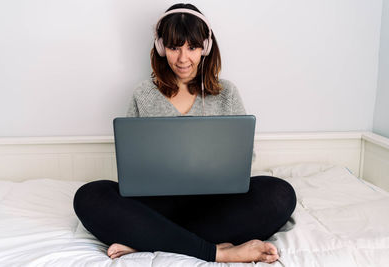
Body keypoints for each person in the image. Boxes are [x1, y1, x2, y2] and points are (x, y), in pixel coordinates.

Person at [73, 3, 296, 263]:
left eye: (192, 47)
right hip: (159, 206)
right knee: (89, 196)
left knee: (280, 194)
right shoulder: (143, 94)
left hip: (215, 205)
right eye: (174, 47)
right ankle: (216, 251)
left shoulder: (227, 93)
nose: (183, 58)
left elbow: (245, 159)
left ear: (206, 47)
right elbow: (132, 163)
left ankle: (150, 241)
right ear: (160, 47)